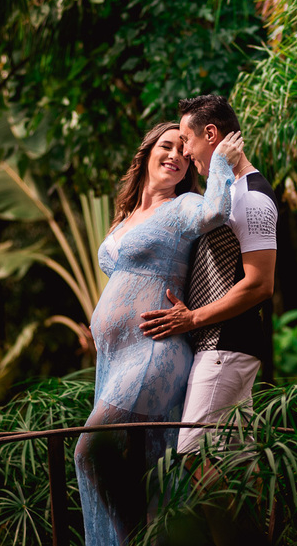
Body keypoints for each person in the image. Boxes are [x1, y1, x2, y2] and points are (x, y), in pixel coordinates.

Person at [75, 121, 244, 546]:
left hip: (155, 352)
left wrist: (219, 162)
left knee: (91, 451)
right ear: (147, 152)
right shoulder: (127, 218)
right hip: (114, 360)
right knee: (137, 469)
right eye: (165, 146)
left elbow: (215, 212)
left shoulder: (183, 204)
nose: (174, 156)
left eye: (182, 153)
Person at [138, 94, 277, 459]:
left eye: (186, 140)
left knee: (190, 458)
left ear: (210, 134)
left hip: (226, 347)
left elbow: (261, 284)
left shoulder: (251, 197)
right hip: (218, 349)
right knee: (235, 469)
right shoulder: (227, 193)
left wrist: (192, 318)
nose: (184, 152)